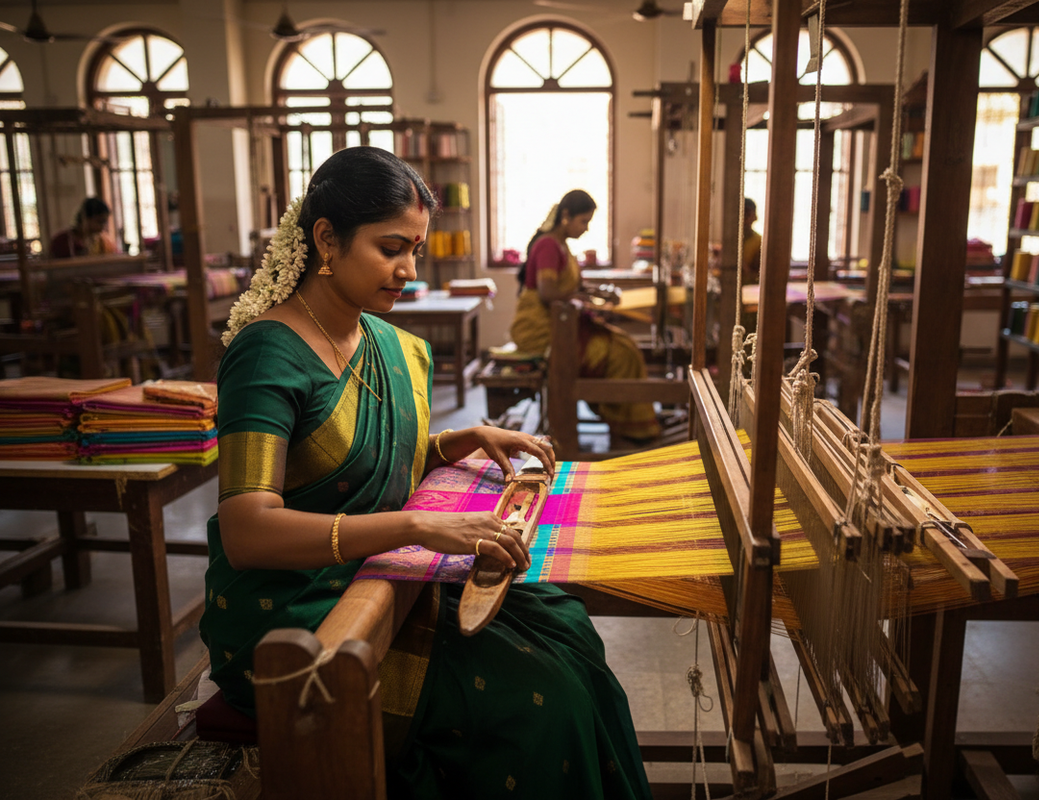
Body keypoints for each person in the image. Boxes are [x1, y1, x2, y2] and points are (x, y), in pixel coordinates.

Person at [201, 148, 652, 799]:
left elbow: (358, 461)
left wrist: (456, 440)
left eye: (415, 248)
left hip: (378, 581)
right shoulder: (267, 355)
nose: (409, 271)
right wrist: (417, 525)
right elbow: (248, 530)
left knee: (565, 629)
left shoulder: (381, 340)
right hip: (298, 614)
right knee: (542, 698)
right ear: (326, 238)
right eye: (391, 249)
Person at [510, 190, 661, 443]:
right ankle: (628, 427)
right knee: (620, 354)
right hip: (542, 332)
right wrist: (585, 299)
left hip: (561, 326)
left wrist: (598, 293)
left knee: (625, 345)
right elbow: (548, 293)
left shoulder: (561, 246)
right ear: (565, 216)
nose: (586, 228)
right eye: (584, 221)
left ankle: (627, 423)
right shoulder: (548, 245)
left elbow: (573, 289)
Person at [50, 197, 119, 258]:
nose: (104, 226)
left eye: (105, 222)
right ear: (85, 219)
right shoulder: (62, 242)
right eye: (100, 221)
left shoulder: (104, 242)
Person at [740, 197, 761, 285]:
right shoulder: (729, 241)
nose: (745, 219)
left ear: (754, 217)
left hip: (750, 289)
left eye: (748, 214)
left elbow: (758, 276)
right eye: (743, 214)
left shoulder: (758, 242)